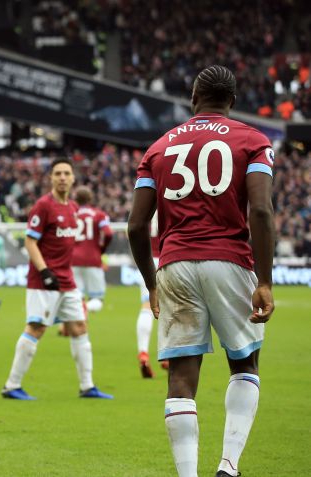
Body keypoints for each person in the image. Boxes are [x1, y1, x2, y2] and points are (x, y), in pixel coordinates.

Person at [128, 65, 275, 477]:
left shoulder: (158, 148)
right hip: (230, 260)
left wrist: (151, 283)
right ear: (233, 101)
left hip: (174, 263)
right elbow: (261, 211)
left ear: (193, 98)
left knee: (181, 376)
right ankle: (228, 465)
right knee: (244, 363)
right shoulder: (253, 141)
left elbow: (136, 226)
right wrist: (264, 280)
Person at [0, 157, 113, 401]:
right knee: (36, 328)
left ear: (73, 178)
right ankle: (11, 385)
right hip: (44, 280)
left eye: (66, 173)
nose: (62, 177)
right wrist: (44, 271)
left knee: (79, 327)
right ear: (50, 178)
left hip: (67, 280)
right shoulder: (43, 206)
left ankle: (87, 386)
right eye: (58, 173)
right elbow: (30, 241)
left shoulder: (72, 208)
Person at [71, 186, 113, 313]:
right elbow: (108, 233)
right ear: (90, 199)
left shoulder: (71, 214)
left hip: (72, 260)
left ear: (75, 199)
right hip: (92, 258)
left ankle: (78, 317)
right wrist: (102, 248)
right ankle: (84, 309)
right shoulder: (99, 215)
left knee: (76, 297)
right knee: (97, 299)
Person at [135, 215, 166, 378]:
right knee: (174, 306)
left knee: (147, 306)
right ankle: (169, 354)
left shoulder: (145, 204)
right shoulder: (172, 201)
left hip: (147, 260)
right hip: (168, 257)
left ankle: (143, 353)